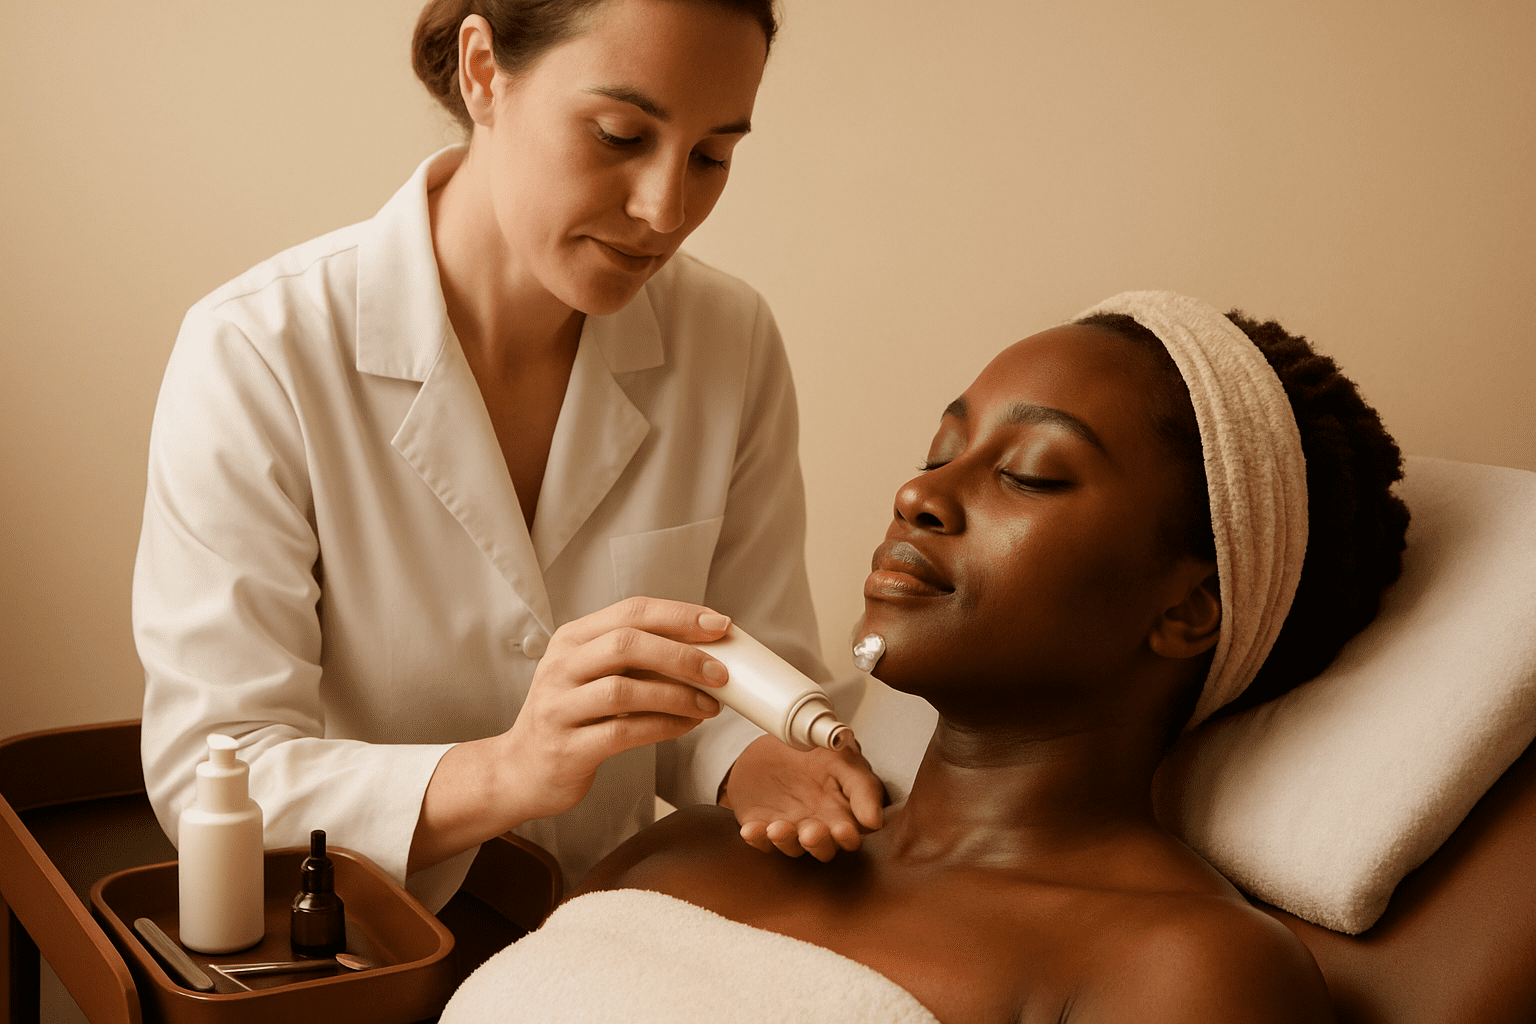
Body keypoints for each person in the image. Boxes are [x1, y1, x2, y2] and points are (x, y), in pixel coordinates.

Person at [441, 292, 1410, 1022]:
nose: (919, 494)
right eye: (940, 451)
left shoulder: (1186, 968)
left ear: (1188, 608)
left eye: (1029, 473)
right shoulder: (685, 848)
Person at [133, 0, 882, 912]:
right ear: (483, 71)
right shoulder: (258, 352)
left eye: (711, 156)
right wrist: (510, 771)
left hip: (611, 936)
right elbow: (215, 774)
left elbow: (741, 678)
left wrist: (757, 757)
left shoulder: (730, 340)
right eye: (619, 135)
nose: (665, 209)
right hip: (367, 945)